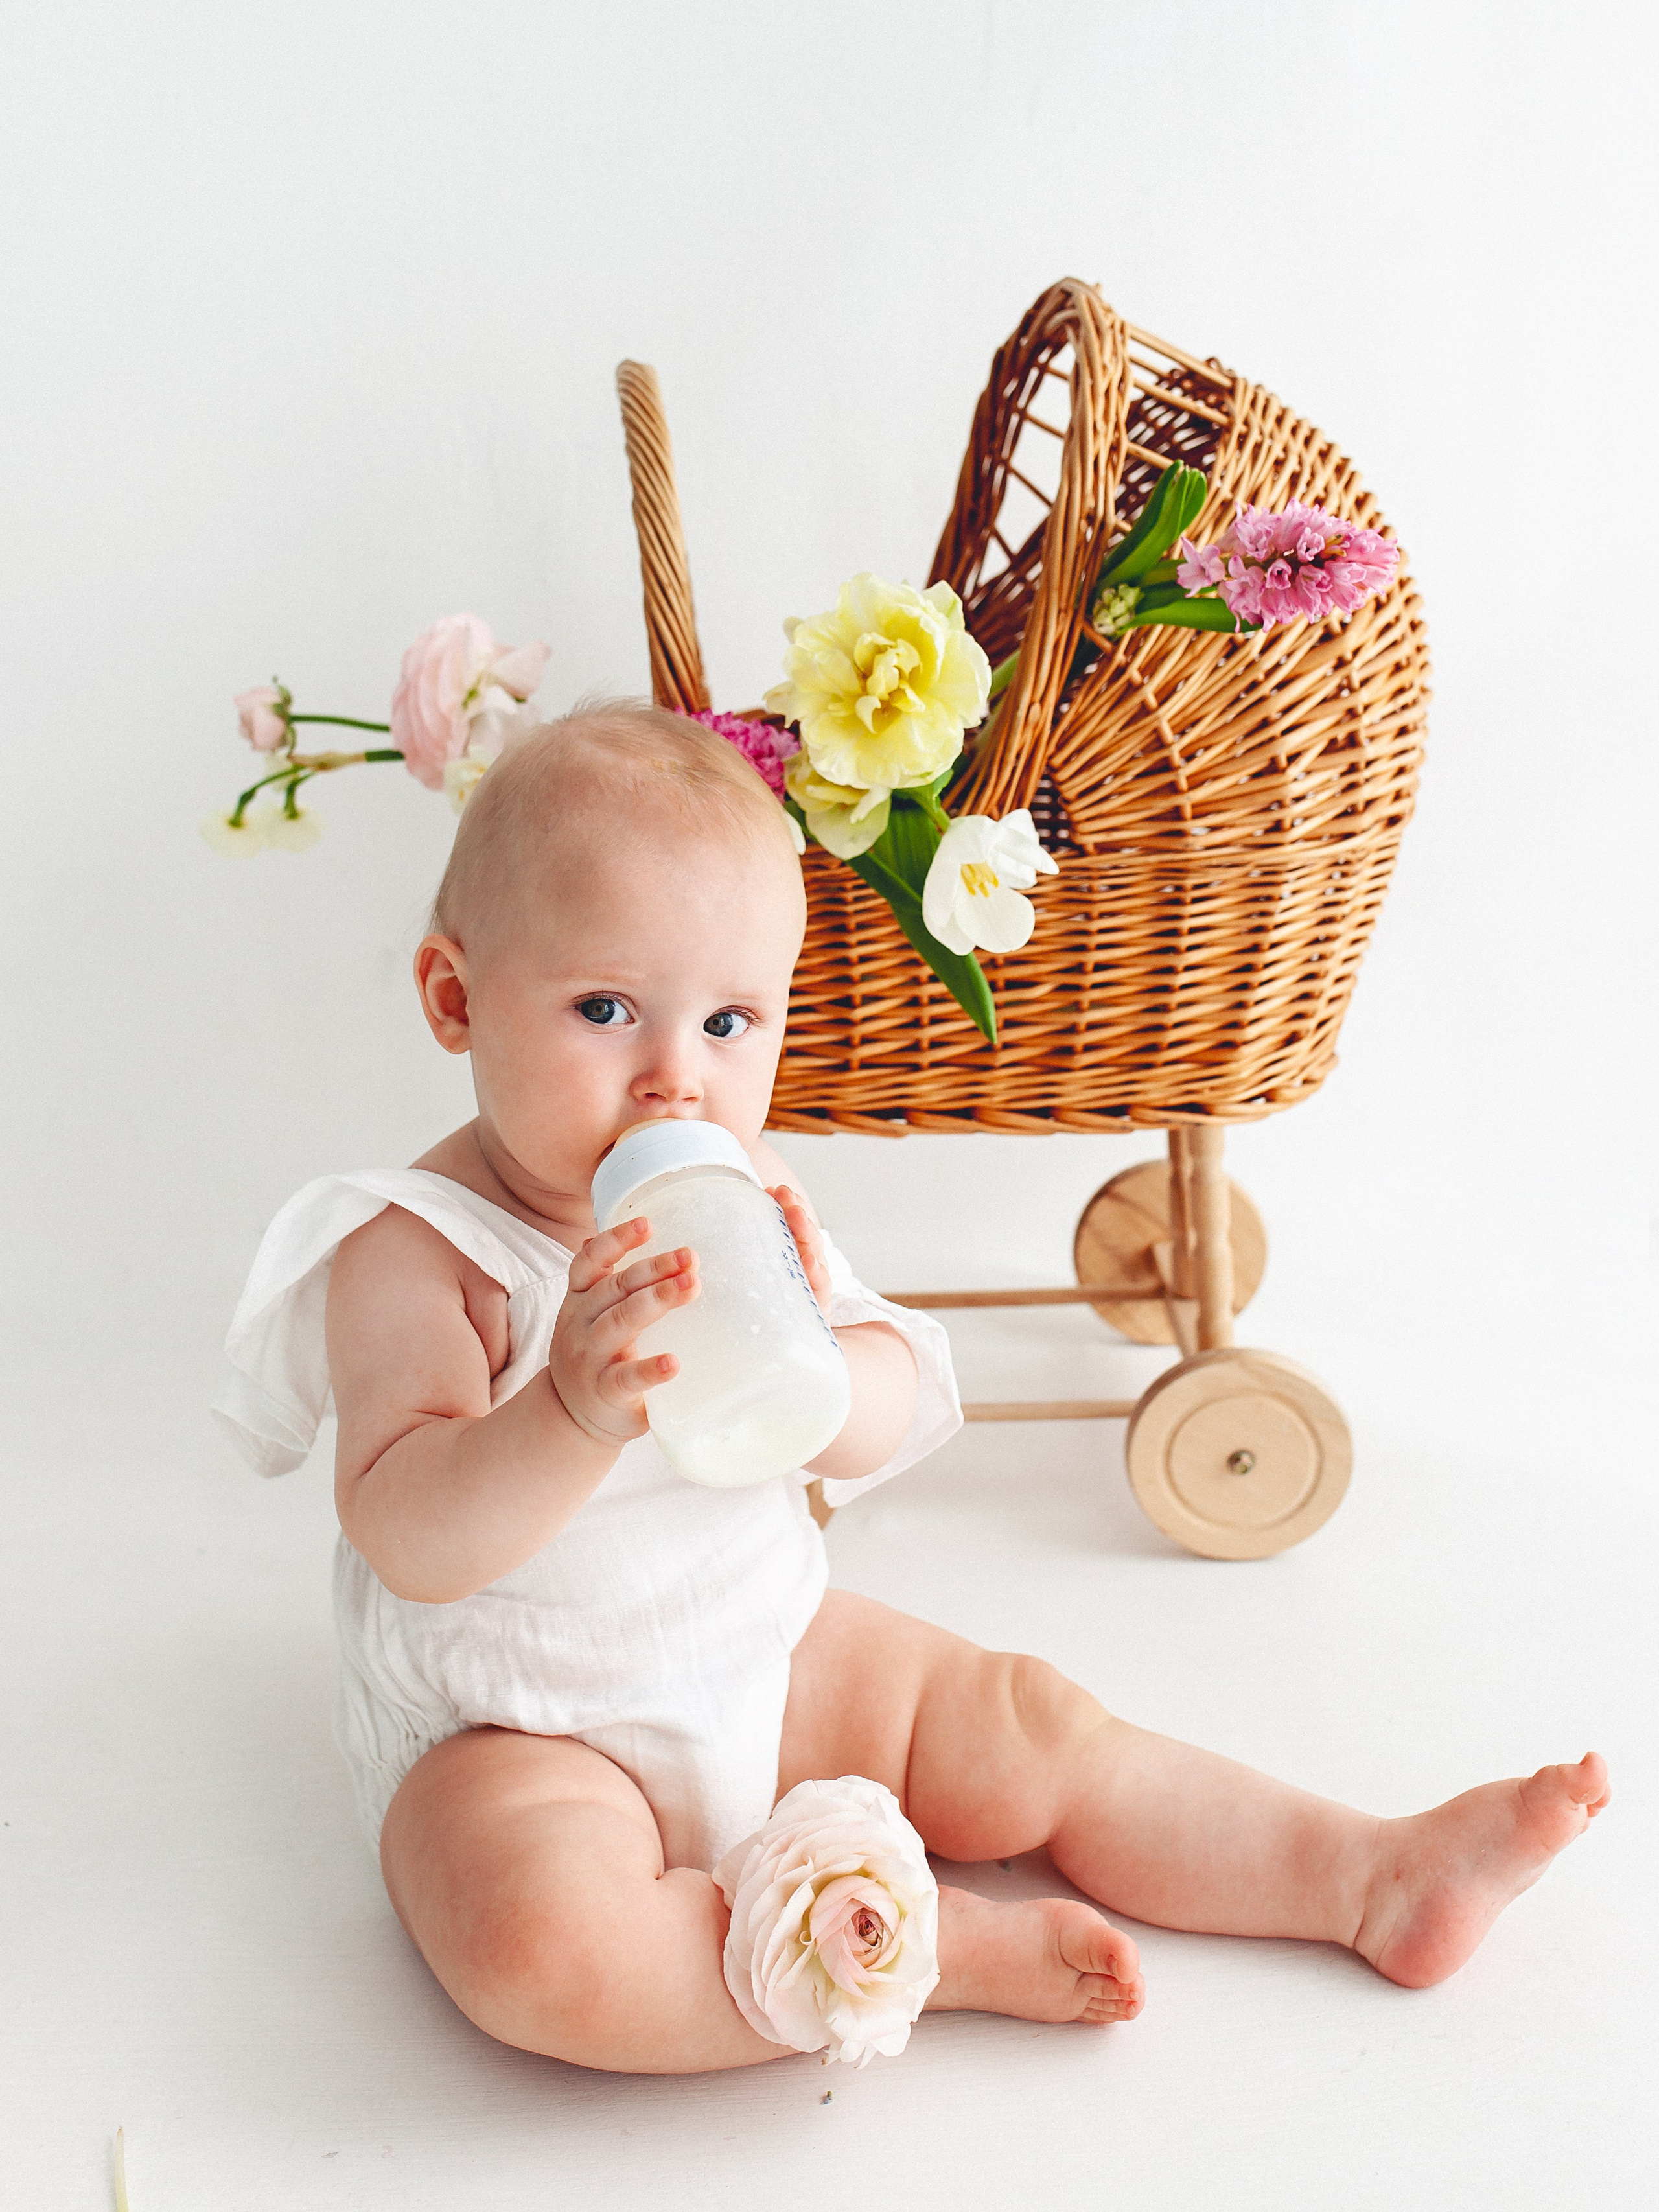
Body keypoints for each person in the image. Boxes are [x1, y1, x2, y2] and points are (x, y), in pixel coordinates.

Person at [216, 703, 1608, 2074]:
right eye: (605, 1010)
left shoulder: (740, 1193)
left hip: (762, 1641)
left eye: (727, 1022)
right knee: (541, 1948)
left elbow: (886, 1385)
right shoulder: (420, 1250)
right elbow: (408, 1532)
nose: (673, 1083)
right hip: (523, 1727)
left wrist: (823, 1379)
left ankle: (1362, 1872)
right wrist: (565, 1414)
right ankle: (926, 1958)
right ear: (456, 998)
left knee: (1027, 1722)